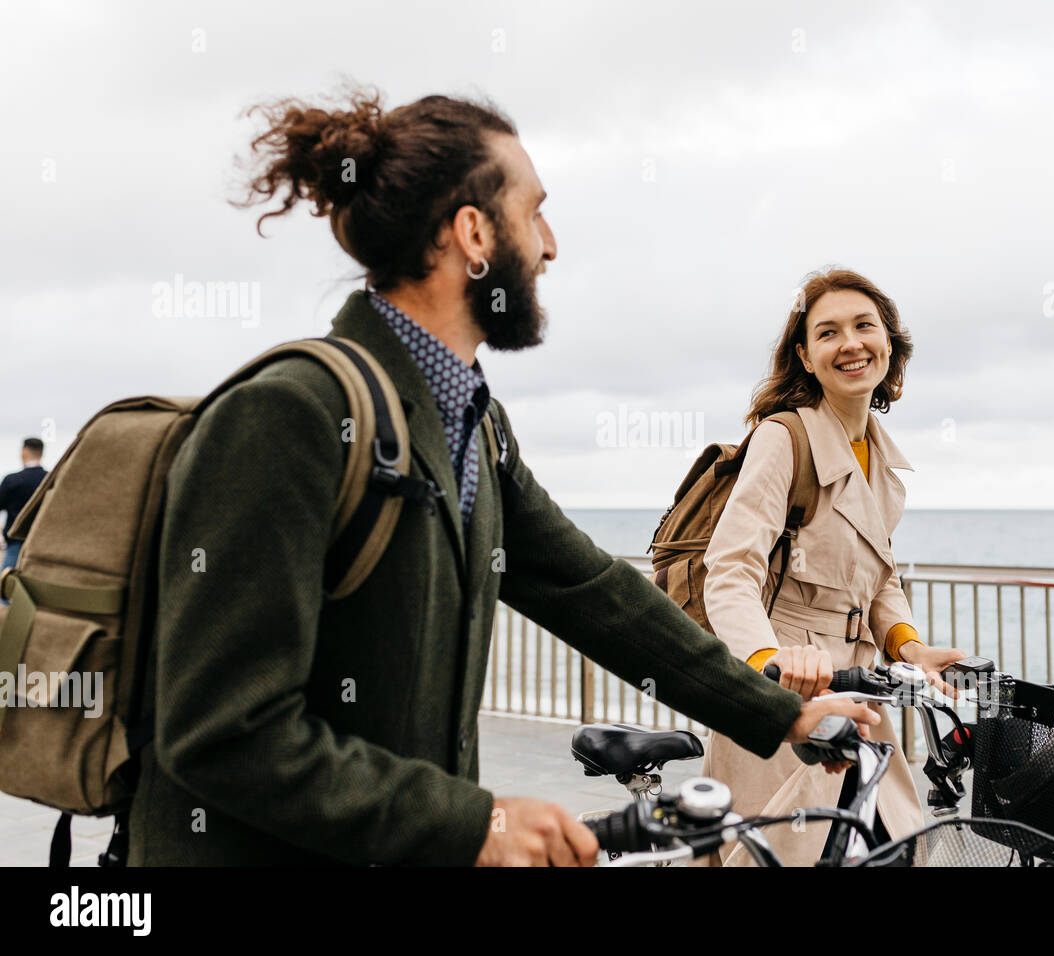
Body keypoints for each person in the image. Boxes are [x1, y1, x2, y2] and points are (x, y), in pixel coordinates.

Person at [125, 87, 881, 866]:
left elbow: (593, 591)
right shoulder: (291, 415)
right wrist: (470, 822)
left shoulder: (476, 425)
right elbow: (221, 733)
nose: (550, 245)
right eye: (535, 213)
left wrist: (778, 714)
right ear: (474, 234)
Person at [698, 268, 969, 866]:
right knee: (781, 851)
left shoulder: (878, 456)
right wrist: (769, 667)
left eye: (864, 326)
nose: (850, 343)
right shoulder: (784, 438)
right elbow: (731, 570)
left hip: (858, 683)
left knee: (885, 844)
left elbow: (880, 579)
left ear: (889, 344)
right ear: (806, 355)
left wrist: (910, 647)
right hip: (784, 681)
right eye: (828, 332)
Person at [0, 438, 47, 603]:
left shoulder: (12, 480)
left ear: (24, 452)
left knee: (5, 586)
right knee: (37, 588)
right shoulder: (49, 479)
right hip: (41, 542)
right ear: (41, 452)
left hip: (15, 540)